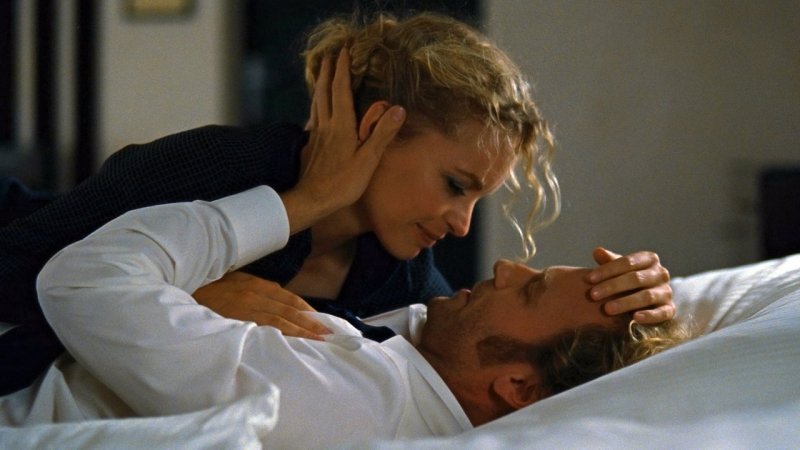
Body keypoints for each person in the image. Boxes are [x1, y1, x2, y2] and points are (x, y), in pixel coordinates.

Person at [0, 12, 673, 394]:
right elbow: (15, 271)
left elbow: (499, 375)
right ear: (376, 127)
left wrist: (639, 314)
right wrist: (186, 294)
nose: (462, 224)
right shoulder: (222, 165)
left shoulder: (400, 272)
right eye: (455, 185)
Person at [12, 186, 689, 447]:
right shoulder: (416, 370)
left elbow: (81, 279)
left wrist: (299, 201)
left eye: (532, 290)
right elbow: (420, 316)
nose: (507, 267)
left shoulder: (346, 400)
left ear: (516, 386)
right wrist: (658, 307)